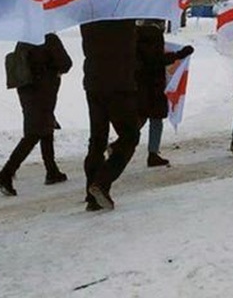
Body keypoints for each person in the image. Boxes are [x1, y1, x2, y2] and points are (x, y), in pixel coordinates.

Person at [0, 33, 73, 196]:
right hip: (44, 89)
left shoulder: (24, 37)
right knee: (34, 133)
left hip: (26, 90)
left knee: (45, 125)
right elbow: (65, 64)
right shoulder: (48, 38)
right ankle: (5, 174)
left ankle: (52, 170)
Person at [81, 19, 142, 211]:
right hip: (119, 83)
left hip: (93, 82)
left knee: (97, 139)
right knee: (130, 135)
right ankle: (102, 182)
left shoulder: (87, 15)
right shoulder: (124, 16)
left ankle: (92, 198)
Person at [134, 21, 195, 167]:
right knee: (156, 118)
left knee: (140, 116)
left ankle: (119, 144)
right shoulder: (154, 35)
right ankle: (153, 154)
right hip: (154, 84)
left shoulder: (135, 34)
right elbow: (157, 60)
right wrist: (180, 54)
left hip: (138, 82)